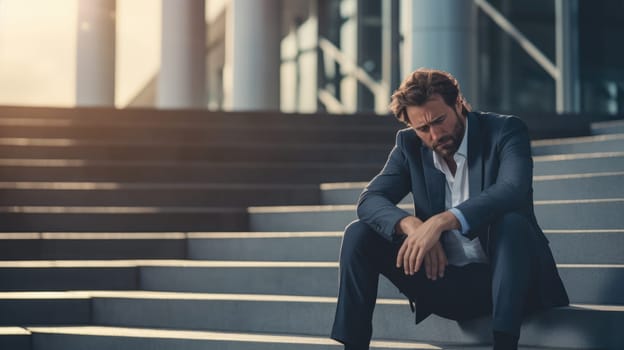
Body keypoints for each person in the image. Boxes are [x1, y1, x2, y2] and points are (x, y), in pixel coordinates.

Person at [330, 68, 569, 350]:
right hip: (445, 280)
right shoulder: (409, 146)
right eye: (423, 128)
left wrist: (443, 221)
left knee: (512, 221)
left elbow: (512, 189)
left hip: (511, 282)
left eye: (440, 120)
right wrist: (413, 226)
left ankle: (505, 344)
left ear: (459, 103)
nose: (435, 134)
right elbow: (369, 200)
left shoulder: (505, 131)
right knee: (359, 234)